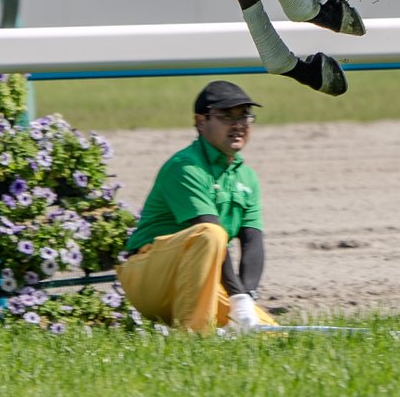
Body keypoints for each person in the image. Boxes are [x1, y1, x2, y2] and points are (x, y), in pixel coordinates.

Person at [116, 81, 279, 333]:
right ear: (200, 121)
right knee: (210, 233)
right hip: (149, 277)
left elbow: (252, 243)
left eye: (244, 115)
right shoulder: (186, 167)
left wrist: (246, 298)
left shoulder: (247, 177)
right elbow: (210, 235)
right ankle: (195, 336)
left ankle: (213, 330)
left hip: (198, 282)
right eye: (226, 116)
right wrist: (236, 297)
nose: (238, 125)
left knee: (264, 332)